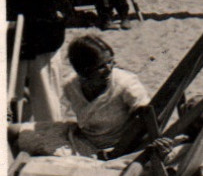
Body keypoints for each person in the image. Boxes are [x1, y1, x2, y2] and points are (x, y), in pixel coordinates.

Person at [10, 33, 148, 159]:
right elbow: (63, 112)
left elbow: (146, 118)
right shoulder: (71, 85)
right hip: (81, 139)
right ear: (83, 71)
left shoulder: (125, 83)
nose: (109, 69)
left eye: (111, 62)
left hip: (113, 148)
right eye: (101, 66)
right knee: (12, 131)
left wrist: (118, 151)